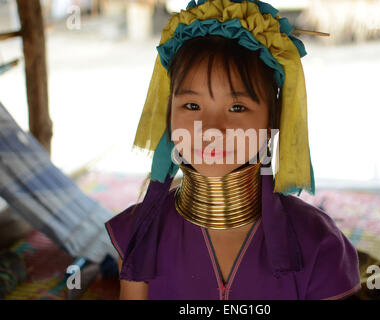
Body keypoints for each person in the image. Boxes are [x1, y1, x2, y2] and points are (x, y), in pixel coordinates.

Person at [105, 0, 361, 300]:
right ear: (169, 114)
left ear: (273, 119)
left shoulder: (319, 245)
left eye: (237, 107)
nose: (211, 129)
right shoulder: (139, 235)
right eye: (192, 105)